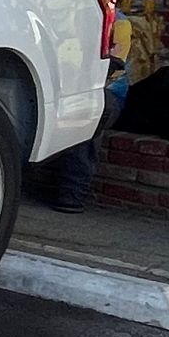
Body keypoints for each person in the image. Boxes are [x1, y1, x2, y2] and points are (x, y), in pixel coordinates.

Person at [54, 15, 132, 213]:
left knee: (90, 111)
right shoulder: (64, 19)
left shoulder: (120, 24)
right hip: (67, 89)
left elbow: (111, 68)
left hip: (107, 92)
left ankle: (72, 193)